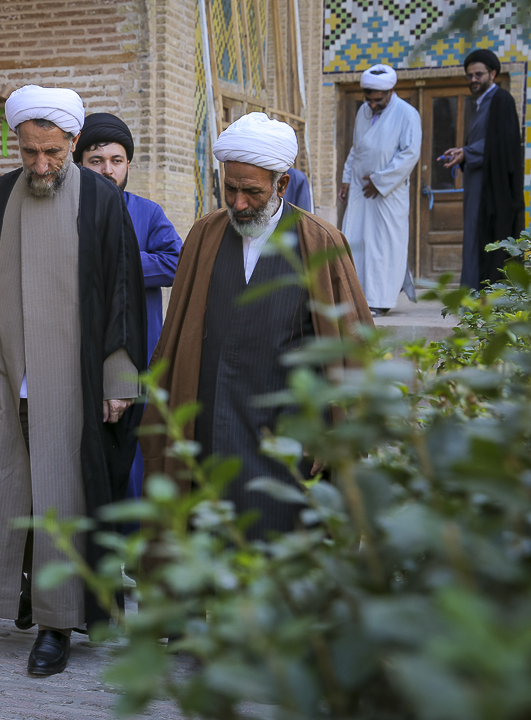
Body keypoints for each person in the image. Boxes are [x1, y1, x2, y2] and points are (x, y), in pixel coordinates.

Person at [0, 85, 147, 676]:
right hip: (7, 381)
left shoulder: (101, 201)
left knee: (62, 500)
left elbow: (122, 295)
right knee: (8, 493)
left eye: (53, 152)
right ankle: (19, 596)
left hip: (75, 387)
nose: (40, 164)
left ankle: (57, 627)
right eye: (29, 151)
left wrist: (119, 380)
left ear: (74, 142)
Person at [140, 112, 373, 539]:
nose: (239, 203)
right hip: (210, 428)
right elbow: (177, 337)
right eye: (230, 189)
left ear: (282, 185)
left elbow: (352, 348)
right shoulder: (204, 236)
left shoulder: (320, 241)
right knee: (209, 544)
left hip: (286, 439)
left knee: (279, 550)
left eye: (252, 192)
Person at [72, 112, 181, 507]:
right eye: (96, 161)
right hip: (78, 355)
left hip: (138, 355)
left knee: (133, 457)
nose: (108, 170)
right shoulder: (67, 212)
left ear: (128, 164)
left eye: (116, 161)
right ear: (79, 164)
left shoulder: (147, 213)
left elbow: (175, 262)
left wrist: (118, 263)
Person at [338, 64, 422, 316]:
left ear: (390, 91)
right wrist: (346, 179)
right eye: (369, 99)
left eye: (378, 100)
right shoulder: (363, 111)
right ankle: (357, 297)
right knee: (357, 242)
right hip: (360, 191)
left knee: (383, 247)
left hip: (388, 194)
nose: (372, 104)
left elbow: (409, 154)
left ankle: (380, 301)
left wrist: (380, 181)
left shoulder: (407, 114)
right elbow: (356, 149)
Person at [443, 48, 525, 288]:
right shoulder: (480, 103)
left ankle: (488, 294)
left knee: (489, 239)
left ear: (493, 73)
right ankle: (473, 293)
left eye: (478, 74)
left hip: (493, 189)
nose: (473, 80)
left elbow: (503, 143)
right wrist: (464, 152)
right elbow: (487, 141)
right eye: (469, 75)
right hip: (477, 185)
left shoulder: (501, 100)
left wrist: (467, 152)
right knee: (473, 238)